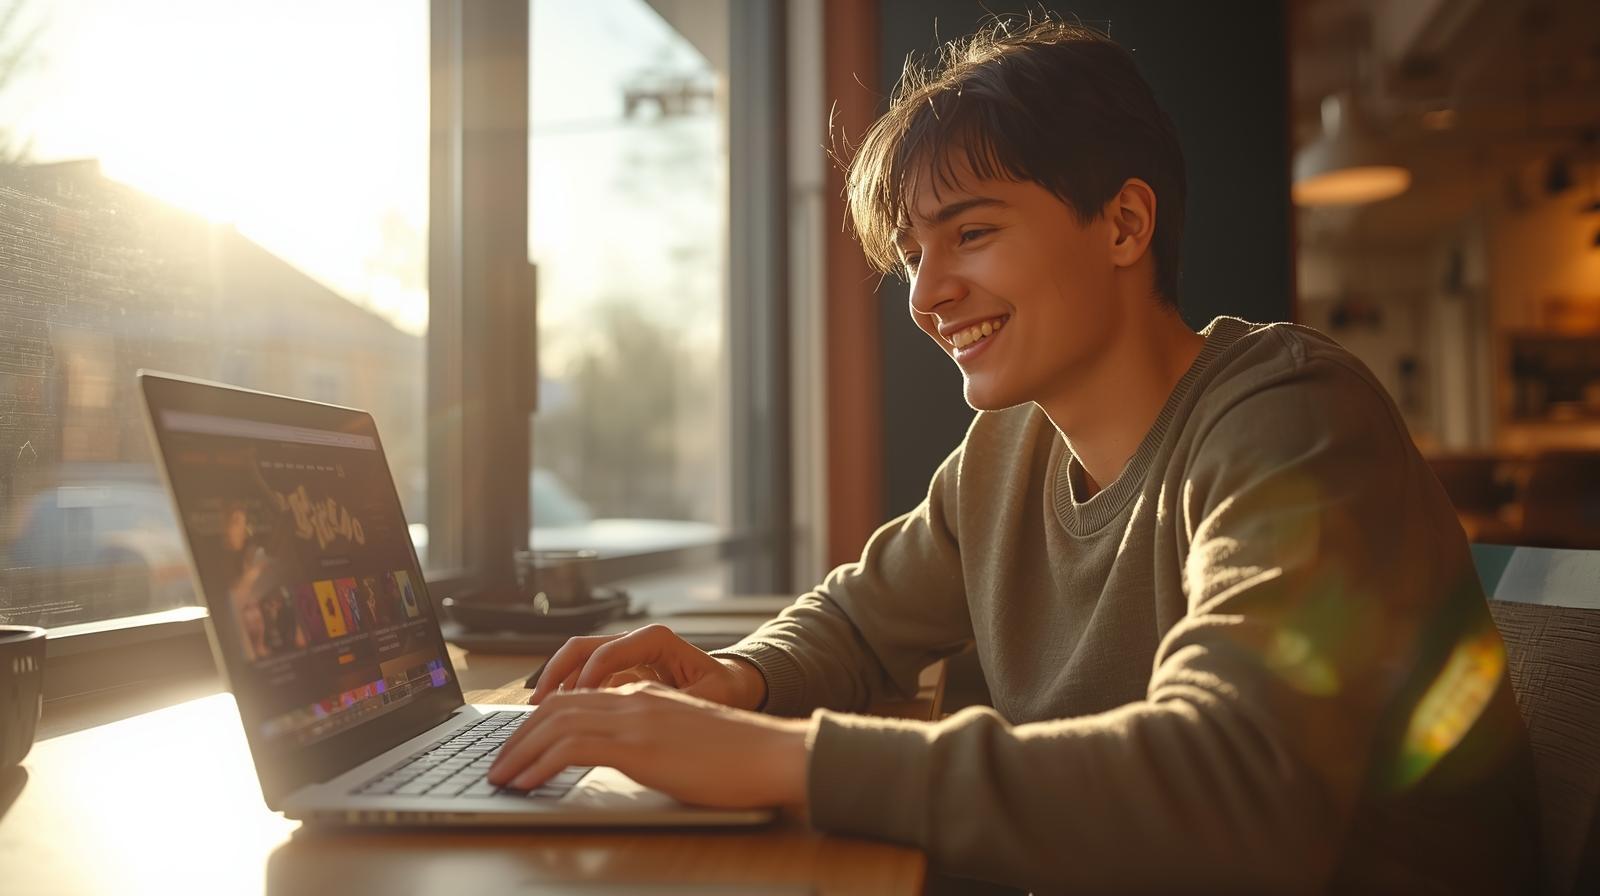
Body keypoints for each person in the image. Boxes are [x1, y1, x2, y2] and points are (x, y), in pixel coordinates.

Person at [487, 17, 1538, 893]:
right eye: (911, 253)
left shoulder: (1293, 418)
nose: (925, 292)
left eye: (970, 234)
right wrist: (737, 679)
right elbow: (859, 617)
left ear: (1124, 224)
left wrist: (781, 757)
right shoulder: (1009, 448)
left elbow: (1236, 783)